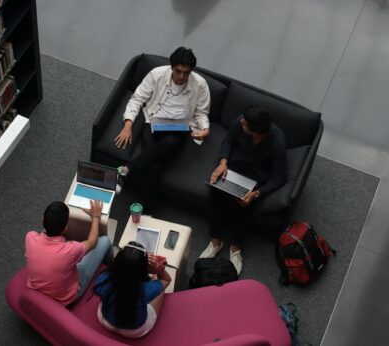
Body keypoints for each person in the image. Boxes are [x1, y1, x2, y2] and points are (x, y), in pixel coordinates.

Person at [114, 47, 211, 212]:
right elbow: (137, 99)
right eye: (178, 71)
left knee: (171, 143)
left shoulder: (200, 84)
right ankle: (148, 213)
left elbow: (201, 113)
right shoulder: (157, 74)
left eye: (186, 73)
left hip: (180, 127)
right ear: (171, 67)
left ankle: (127, 170)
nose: (181, 77)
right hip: (153, 121)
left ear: (191, 71)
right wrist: (128, 124)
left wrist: (205, 130)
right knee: (155, 165)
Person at [199, 106, 288, 274]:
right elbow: (228, 141)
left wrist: (255, 193)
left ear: (258, 132)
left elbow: (279, 177)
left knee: (246, 205)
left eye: (246, 125)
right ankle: (216, 240)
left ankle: (236, 247)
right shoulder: (241, 121)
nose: (241, 122)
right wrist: (223, 162)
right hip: (234, 168)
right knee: (216, 192)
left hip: (256, 177)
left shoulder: (277, 142)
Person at [25, 200, 113, 306]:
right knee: (105, 241)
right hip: (66, 299)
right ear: (65, 229)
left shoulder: (30, 237)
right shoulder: (71, 250)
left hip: (38, 290)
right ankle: (111, 268)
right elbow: (92, 242)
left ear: (43, 219)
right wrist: (96, 217)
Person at [94, 241, 172, 338]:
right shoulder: (145, 290)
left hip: (106, 321)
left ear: (117, 261)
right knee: (156, 278)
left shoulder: (103, 279)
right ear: (143, 269)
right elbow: (166, 280)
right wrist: (156, 268)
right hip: (135, 331)